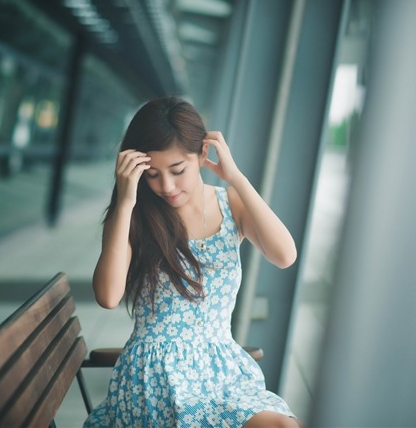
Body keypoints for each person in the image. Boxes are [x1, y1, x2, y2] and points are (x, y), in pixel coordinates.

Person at [84, 97, 301, 428]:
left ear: (202, 155)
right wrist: (126, 201)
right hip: (155, 377)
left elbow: (285, 256)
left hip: (222, 370)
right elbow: (108, 296)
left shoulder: (231, 204)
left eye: (177, 170)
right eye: (152, 174)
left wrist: (236, 178)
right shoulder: (134, 215)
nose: (166, 187)